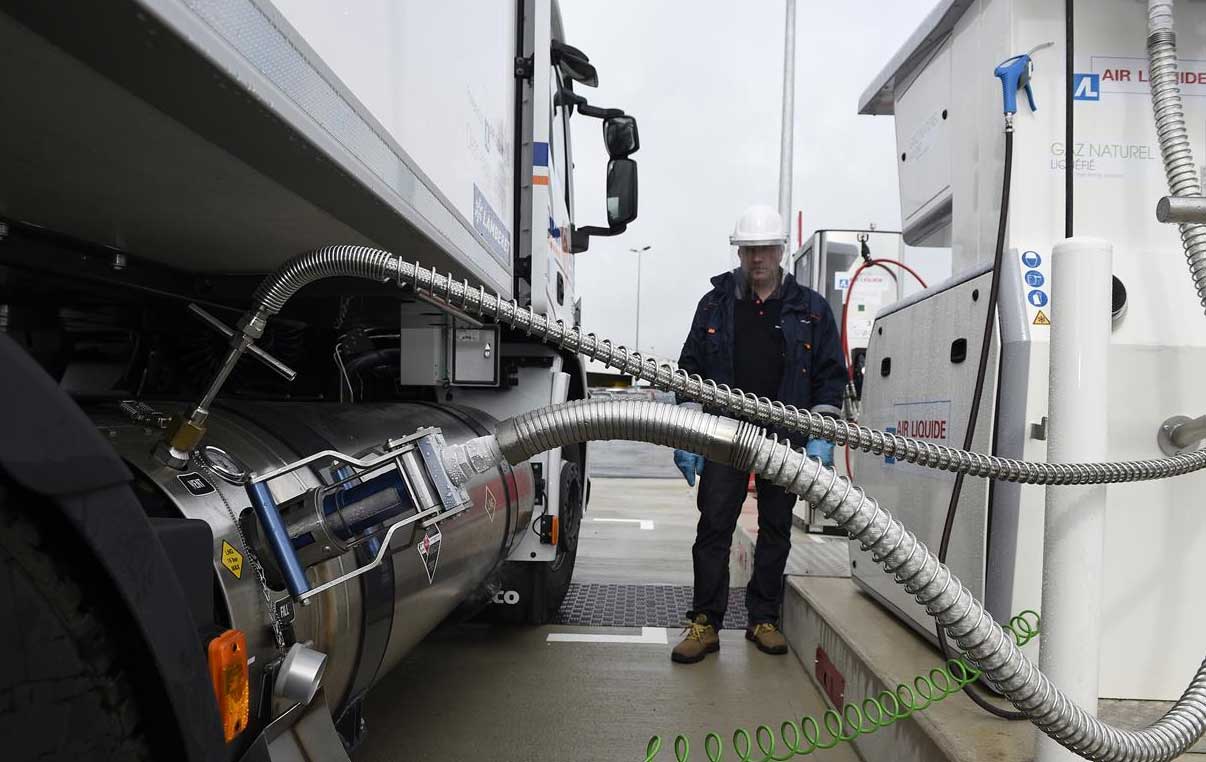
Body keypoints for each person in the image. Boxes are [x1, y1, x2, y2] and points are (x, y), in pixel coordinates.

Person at [670, 204, 847, 664]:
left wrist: (821, 435)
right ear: (740, 252)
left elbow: (830, 377)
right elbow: (689, 371)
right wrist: (690, 435)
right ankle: (705, 622)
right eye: (749, 249)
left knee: (775, 528)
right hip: (724, 436)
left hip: (783, 438)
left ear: (780, 250)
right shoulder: (714, 305)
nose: (757, 258)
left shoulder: (811, 310)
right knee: (714, 527)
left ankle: (762, 618)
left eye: (765, 248)